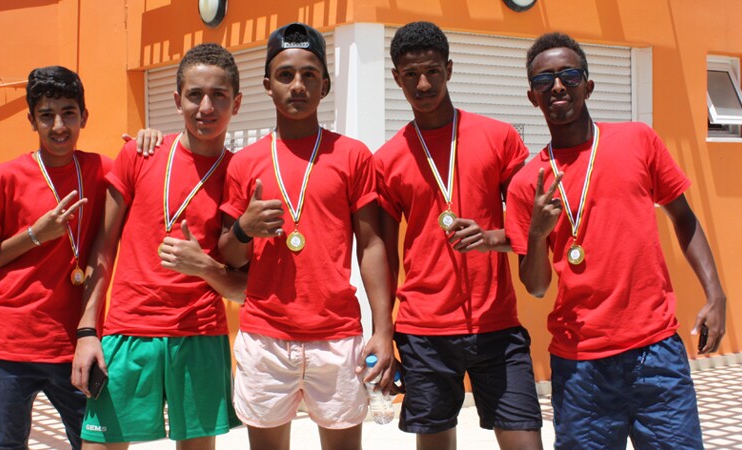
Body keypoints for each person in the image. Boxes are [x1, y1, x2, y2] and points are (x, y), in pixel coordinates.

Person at [505, 32, 727, 449]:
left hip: (656, 352)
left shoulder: (638, 140)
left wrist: (716, 295)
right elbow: (535, 287)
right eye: (543, 80)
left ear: (588, 85)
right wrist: (537, 234)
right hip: (580, 365)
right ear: (532, 98)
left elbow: (684, 217)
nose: (557, 86)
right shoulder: (525, 184)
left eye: (569, 75)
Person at [218, 22, 394, 450]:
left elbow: (371, 245)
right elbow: (230, 255)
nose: (297, 86)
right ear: (267, 85)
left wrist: (384, 329)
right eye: (285, 75)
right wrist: (245, 228)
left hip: (336, 334)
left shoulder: (351, 155)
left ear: (325, 85)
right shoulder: (244, 163)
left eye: (309, 75)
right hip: (265, 336)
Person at [374, 21, 543, 450]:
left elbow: (532, 223)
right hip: (423, 330)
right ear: (396, 78)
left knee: (526, 441)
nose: (423, 83)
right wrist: (383, 330)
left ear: (449, 69)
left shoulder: (498, 137)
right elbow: (385, 254)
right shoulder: (388, 158)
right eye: (410, 75)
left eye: (432, 70)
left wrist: (493, 237)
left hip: (497, 325)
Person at [71, 43, 245, 449]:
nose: (206, 106)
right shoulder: (139, 153)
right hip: (128, 331)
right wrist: (86, 331)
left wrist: (203, 266)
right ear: (176, 99)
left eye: (219, 95)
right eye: (195, 95)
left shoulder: (239, 172)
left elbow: (242, 286)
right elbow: (103, 247)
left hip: (200, 334)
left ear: (236, 103)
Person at [0, 65, 111, 450]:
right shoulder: (6, 176)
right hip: (10, 345)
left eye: (68, 113)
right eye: (46, 115)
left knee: (95, 444)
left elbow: (147, 178)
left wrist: (148, 141)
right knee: (8, 446)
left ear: (84, 116)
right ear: (32, 120)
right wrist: (34, 236)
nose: (59, 125)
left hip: (74, 345)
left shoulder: (100, 170)